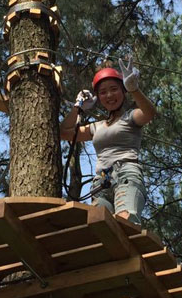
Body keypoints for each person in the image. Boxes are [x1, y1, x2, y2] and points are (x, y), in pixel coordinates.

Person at [59, 57, 156, 224]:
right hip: (101, 181)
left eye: (114, 89)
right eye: (103, 92)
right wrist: (78, 106)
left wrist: (134, 89)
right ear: (98, 97)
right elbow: (64, 132)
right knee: (99, 226)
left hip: (126, 172)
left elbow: (149, 113)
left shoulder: (130, 117)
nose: (109, 95)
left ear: (123, 91)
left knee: (125, 222)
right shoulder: (96, 127)